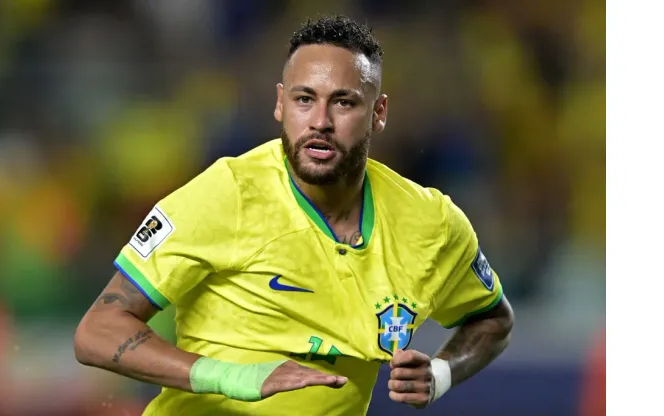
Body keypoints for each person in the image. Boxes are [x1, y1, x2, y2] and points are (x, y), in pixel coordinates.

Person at [74, 14, 514, 416]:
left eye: (343, 103)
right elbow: (97, 332)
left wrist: (441, 373)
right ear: (281, 104)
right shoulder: (226, 194)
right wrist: (236, 378)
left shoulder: (430, 224)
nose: (319, 120)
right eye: (305, 99)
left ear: (378, 114)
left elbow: (492, 318)